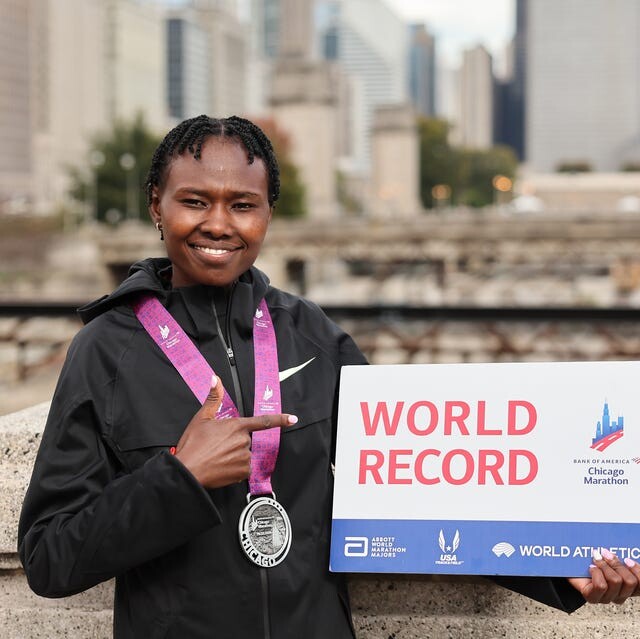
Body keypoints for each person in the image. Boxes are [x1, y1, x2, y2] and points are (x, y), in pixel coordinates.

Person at [18, 115, 640, 638]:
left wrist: (562, 571)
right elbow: (49, 556)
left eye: (243, 205)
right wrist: (178, 477)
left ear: (269, 213)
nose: (219, 224)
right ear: (157, 204)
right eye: (195, 201)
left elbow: (415, 491)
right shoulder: (106, 351)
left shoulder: (313, 335)